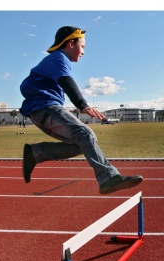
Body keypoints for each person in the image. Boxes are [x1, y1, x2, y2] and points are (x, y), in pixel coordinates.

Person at [19, 26, 142, 194]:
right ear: (71, 43)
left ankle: (35, 153)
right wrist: (82, 105)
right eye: (82, 46)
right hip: (45, 108)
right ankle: (108, 177)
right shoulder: (58, 58)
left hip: (39, 112)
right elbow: (67, 82)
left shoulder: (56, 61)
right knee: (86, 134)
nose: (83, 51)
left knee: (82, 144)